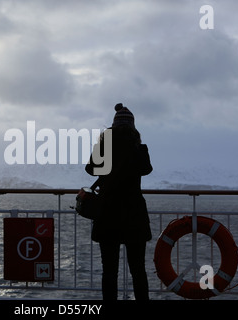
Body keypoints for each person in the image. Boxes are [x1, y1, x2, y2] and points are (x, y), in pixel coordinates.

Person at [85, 103, 153, 301]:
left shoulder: (104, 148)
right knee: (138, 270)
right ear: (133, 127)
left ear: (113, 126)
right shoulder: (138, 148)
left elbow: (90, 169)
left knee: (110, 271)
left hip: (108, 214)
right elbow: (146, 169)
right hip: (134, 215)